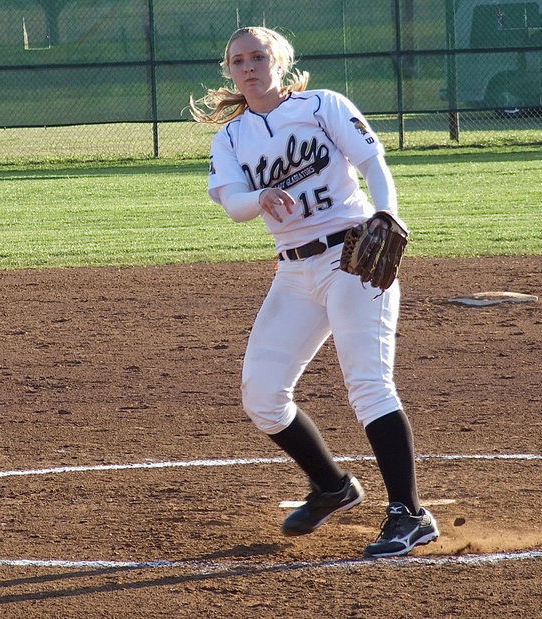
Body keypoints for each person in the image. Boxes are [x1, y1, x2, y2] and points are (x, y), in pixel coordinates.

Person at [190, 26, 439, 558]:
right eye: (238, 60)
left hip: (352, 256)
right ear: (229, 71)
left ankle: (409, 514)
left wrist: (387, 211)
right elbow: (234, 204)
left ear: (280, 62)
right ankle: (333, 487)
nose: (249, 66)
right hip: (294, 272)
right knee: (262, 396)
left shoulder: (322, 105)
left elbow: (373, 162)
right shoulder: (231, 138)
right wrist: (260, 196)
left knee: (369, 385)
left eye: (259, 56)